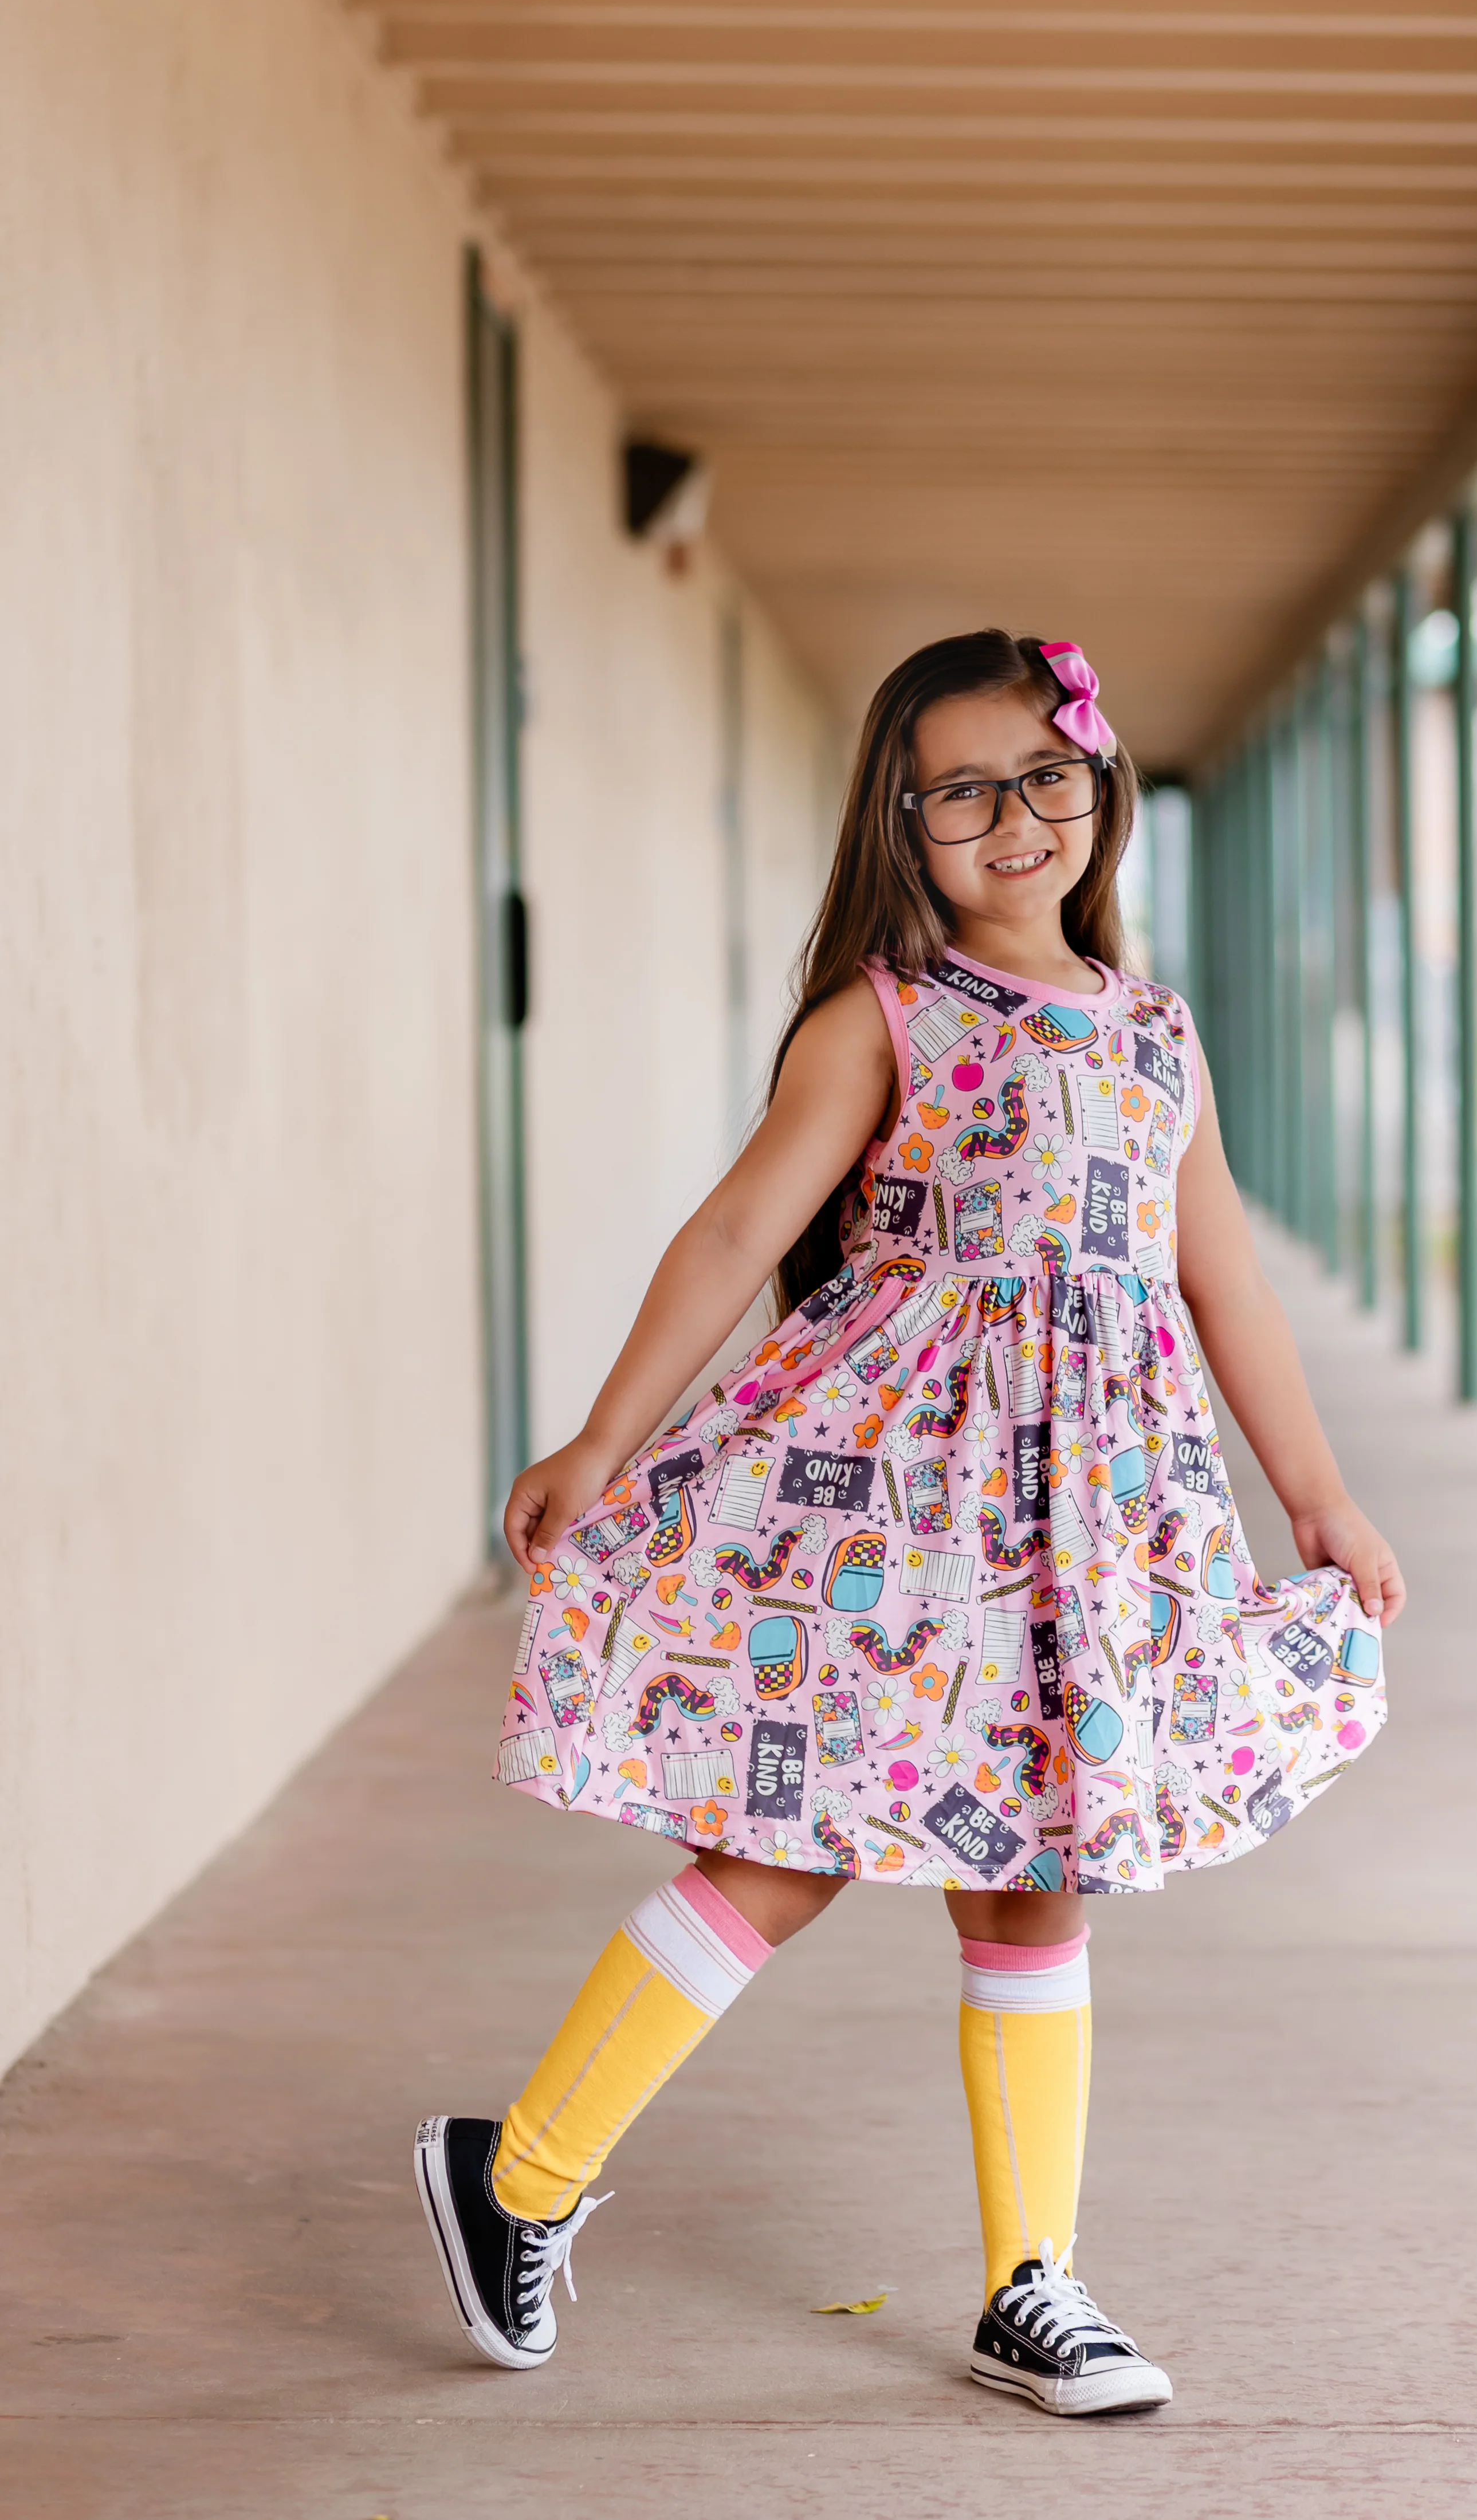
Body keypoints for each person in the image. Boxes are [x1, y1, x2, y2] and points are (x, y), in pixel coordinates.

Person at [417, 630, 1404, 2416]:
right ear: (901, 820)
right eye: (960, 791)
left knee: (1036, 1872)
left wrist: (1316, 1496)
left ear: (1098, 786)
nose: (1012, 817)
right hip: (893, 1508)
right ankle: (518, 2177)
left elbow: (1224, 1280)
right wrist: (602, 1438)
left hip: (1088, 1526)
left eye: (1044, 775)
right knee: (786, 1846)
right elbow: (736, 1234)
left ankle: (1034, 2282)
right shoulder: (884, 1016)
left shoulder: (1155, 1034)